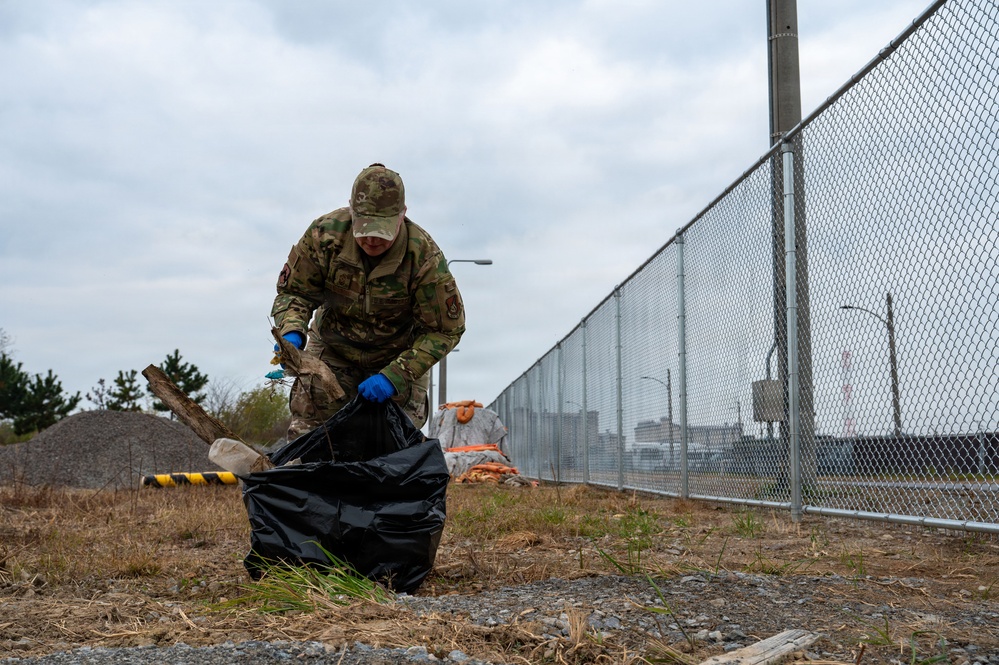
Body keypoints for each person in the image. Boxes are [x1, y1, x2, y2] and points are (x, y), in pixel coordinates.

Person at [270, 163, 465, 439]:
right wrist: (291, 330)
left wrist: (395, 376)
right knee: (311, 436)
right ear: (352, 210)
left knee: (396, 443)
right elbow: (294, 292)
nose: (372, 240)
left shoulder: (423, 257)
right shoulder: (325, 236)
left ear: (402, 215)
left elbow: (445, 330)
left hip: (397, 355)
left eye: (382, 230)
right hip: (333, 348)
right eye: (364, 228)